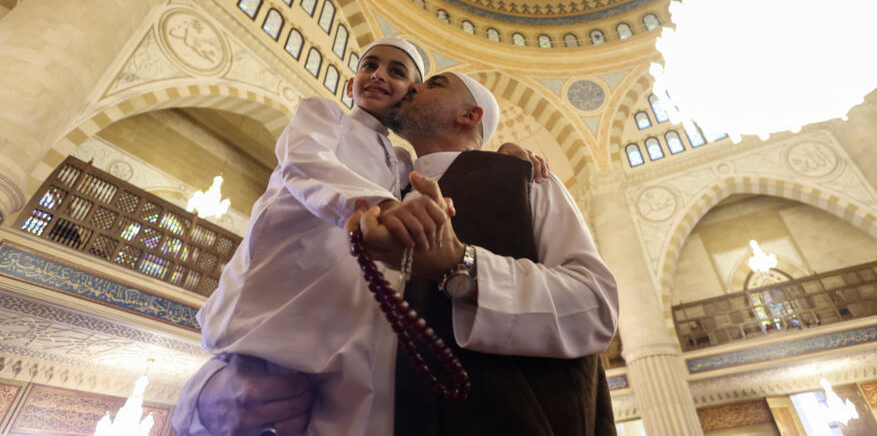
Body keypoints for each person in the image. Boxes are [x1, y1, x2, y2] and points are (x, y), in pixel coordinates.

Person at [174, 71, 618, 436]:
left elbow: (596, 307)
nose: (414, 86)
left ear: (470, 114)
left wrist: (459, 266)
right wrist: (204, 404)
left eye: (434, 83)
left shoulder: (522, 182)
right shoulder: (361, 198)